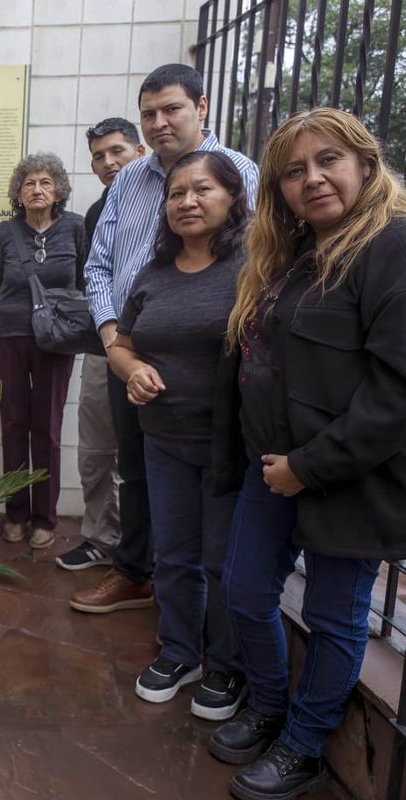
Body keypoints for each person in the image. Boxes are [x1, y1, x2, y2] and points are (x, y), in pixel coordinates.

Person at [209, 108, 406, 800]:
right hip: (272, 471)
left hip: (345, 479)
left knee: (333, 618)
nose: (312, 179)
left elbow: (395, 394)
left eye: (328, 161)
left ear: (365, 165)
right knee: (244, 591)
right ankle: (269, 706)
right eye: (294, 171)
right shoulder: (290, 259)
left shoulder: (390, 248)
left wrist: (307, 467)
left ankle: (303, 745)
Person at [77, 63, 258, 613]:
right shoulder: (129, 178)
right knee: (135, 468)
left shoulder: (241, 172)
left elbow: (261, 262)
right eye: (148, 114)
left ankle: (202, 603)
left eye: (171, 109)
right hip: (131, 348)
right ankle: (135, 572)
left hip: (209, 355)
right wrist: (114, 339)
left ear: (201, 108)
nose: (159, 123)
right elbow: (98, 264)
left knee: (214, 480)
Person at [108, 151, 248, 721]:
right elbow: (121, 345)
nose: (187, 202)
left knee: (223, 561)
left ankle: (228, 665)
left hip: (231, 445)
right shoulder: (154, 273)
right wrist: (133, 370)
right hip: (163, 440)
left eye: (202, 189)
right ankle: (180, 652)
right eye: (176, 193)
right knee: (173, 555)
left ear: (233, 197)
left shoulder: (253, 267)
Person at [56, 118, 145, 571]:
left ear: (140, 152)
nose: (108, 162)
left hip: (154, 348)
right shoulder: (95, 213)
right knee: (95, 450)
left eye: (117, 151)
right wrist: (109, 335)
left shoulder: (168, 198)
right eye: (99, 156)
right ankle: (100, 539)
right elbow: (93, 277)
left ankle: (141, 553)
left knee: (142, 459)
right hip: (102, 346)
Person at [0, 152, 87, 549]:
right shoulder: (4, 233)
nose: (37, 189)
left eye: (46, 182)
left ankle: (44, 517)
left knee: (47, 426)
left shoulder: (76, 227)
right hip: (9, 333)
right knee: (13, 423)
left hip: (58, 338)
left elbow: (83, 282)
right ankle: (16, 512)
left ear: (58, 190)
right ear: (18, 193)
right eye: (29, 183)